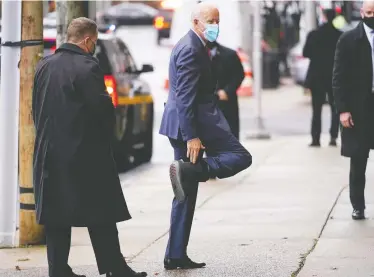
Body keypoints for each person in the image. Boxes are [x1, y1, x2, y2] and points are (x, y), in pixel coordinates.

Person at [32, 17, 147, 277]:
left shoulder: (44, 65)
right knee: (102, 212)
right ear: (87, 40)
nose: (94, 46)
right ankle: (114, 267)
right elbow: (102, 110)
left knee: (56, 216)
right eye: (94, 42)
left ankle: (58, 270)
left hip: (49, 152)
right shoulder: (87, 66)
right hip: (85, 153)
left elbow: (35, 108)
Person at [159, 2, 252, 270]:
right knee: (240, 156)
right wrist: (192, 137)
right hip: (191, 125)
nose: (215, 26)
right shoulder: (190, 49)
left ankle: (175, 254)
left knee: (185, 194)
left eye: (217, 20)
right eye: (211, 21)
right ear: (196, 22)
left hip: (190, 122)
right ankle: (195, 170)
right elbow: (186, 97)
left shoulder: (195, 45)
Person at [333, 0, 374, 220]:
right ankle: (358, 205)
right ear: (362, 13)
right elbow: (339, 77)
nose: (372, 16)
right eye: (369, 12)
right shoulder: (348, 40)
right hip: (359, 109)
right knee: (359, 160)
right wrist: (343, 109)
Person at [303, 9, 342, 147]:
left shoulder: (314, 35)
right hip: (334, 76)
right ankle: (333, 137)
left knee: (316, 109)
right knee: (335, 108)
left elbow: (305, 53)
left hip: (317, 76)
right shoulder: (339, 35)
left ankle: (315, 139)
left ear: (323, 17)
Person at [210, 41, 245, 140]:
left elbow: (239, 75)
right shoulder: (194, 55)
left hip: (225, 104)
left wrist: (227, 91)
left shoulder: (229, 55)